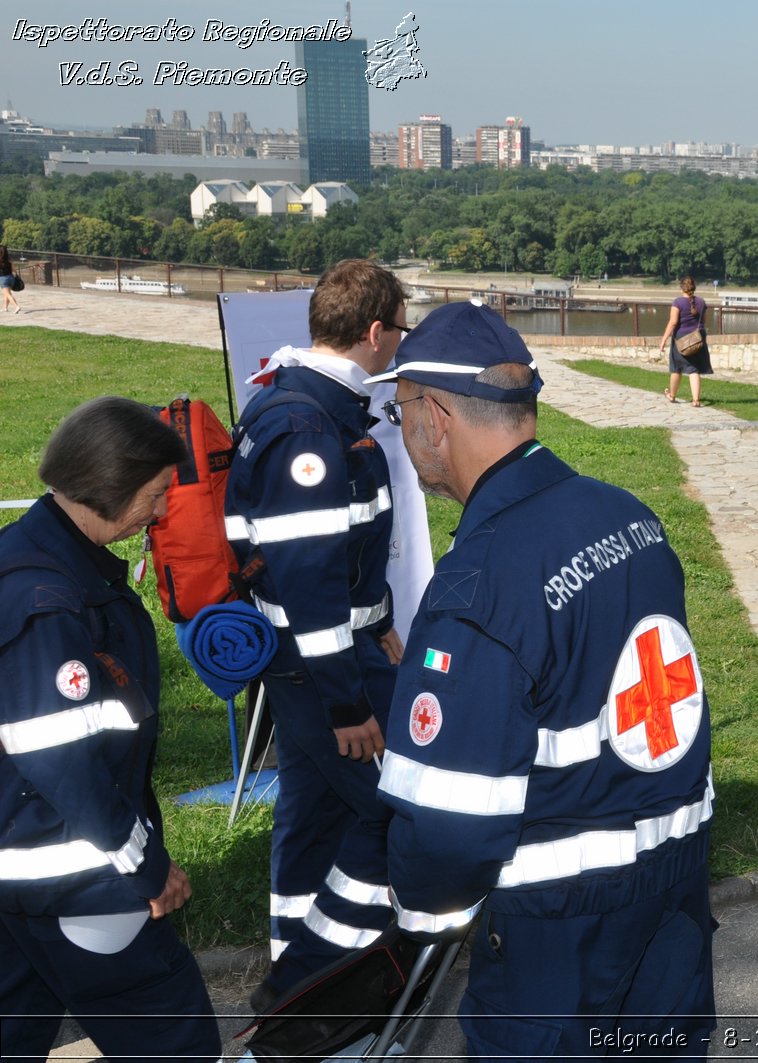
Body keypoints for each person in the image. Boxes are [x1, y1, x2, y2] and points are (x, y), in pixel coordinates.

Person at [371, 302, 716, 1057]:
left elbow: (447, 829)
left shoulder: (480, 585)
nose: (401, 434)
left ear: (434, 414)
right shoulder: (629, 516)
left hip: (562, 946)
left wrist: (421, 909)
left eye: (398, 414)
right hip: (675, 908)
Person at [0, 398, 220, 1060]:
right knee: (173, 1037)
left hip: (22, 876)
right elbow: (65, 762)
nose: (159, 512)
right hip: (74, 874)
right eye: (155, 495)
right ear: (111, 486)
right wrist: (146, 866)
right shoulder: (53, 602)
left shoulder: (36, 559)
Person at [224, 258, 408, 1008]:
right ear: (373, 333)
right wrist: (347, 705)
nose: (398, 343)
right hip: (322, 667)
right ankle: (323, 975)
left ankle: (293, 959)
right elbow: (312, 589)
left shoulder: (303, 404)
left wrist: (385, 619)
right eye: (398, 329)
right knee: (390, 806)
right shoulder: (308, 428)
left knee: (310, 809)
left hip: (320, 658)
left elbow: (345, 555)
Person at [658, 275, 713, 406]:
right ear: (694, 287)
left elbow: (673, 322)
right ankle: (695, 400)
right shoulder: (701, 302)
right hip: (698, 339)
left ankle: (672, 395)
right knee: (694, 369)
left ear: (681, 287)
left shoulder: (678, 302)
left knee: (676, 368)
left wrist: (663, 339)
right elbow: (704, 321)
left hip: (681, 340)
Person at [0, 246, 20, 314]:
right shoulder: (9, 259)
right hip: (11, 278)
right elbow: (13, 269)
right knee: (7, 293)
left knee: (8, 294)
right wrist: (16, 274)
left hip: (3, 279)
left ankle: (16, 306)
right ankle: (5, 307)